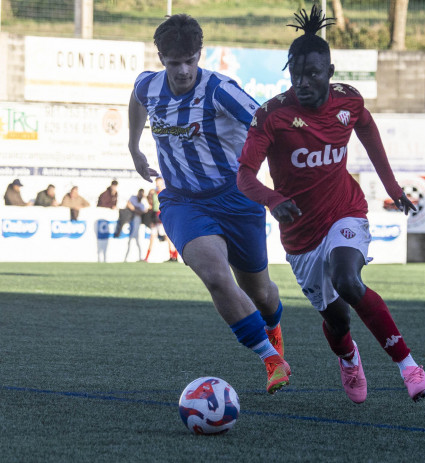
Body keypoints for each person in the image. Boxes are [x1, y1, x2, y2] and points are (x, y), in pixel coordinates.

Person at [238, 5, 425, 403]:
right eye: (296, 76)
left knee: (348, 280)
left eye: (312, 74)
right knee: (337, 319)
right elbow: (243, 177)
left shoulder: (349, 102)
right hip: (300, 237)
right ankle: (348, 357)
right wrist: (273, 200)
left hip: (345, 212)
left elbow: (369, 133)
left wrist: (393, 187)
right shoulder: (271, 116)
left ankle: (408, 365)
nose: (303, 83)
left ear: (329, 72)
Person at [127, 14, 289, 394]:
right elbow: (136, 99)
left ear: (200, 54)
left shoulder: (221, 90)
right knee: (215, 276)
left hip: (236, 197)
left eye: (190, 61)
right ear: (161, 58)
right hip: (182, 201)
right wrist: (134, 147)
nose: (182, 70)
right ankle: (270, 358)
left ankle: (274, 331)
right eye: (173, 63)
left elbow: (268, 125)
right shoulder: (148, 85)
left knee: (261, 293)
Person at [123, 188, 148, 262]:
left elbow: (142, 211)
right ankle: (126, 257)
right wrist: (135, 209)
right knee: (131, 240)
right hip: (131, 219)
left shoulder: (143, 202)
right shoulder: (133, 198)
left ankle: (139, 257)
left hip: (137, 220)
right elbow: (129, 205)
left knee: (135, 240)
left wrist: (134, 209)